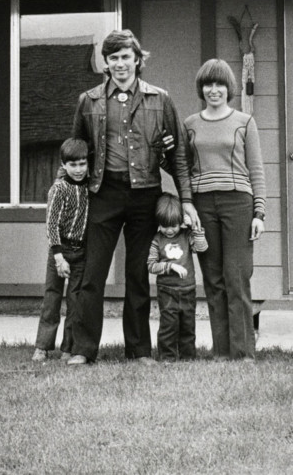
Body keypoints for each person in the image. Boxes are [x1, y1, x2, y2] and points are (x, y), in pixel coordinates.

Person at [67, 29, 199, 365]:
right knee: (92, 275)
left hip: (144, 196)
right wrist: (65, 199)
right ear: (106, 64)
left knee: (138, 275)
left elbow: (179, 157)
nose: (120, 63)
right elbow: (75, 153)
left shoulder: (161, 99)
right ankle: (84, 349)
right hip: (104, 194)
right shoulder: (89, 101)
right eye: (113, 58)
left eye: (126, 57)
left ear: (137, 60)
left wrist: (186, 201)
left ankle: (139, 349)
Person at [184, 58, 266, 361]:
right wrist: (188, 205)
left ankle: (243, 351)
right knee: (214, 280)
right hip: (204, 205)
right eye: (208, 83)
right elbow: (184, 168)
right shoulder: (190, 124)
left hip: (238, 204)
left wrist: (259, 212)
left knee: (236, 277)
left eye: (220, 84)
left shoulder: (244, 122)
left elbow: (256, 169)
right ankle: (221, 352)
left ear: (229, 87)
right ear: (201, 88)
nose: (214, 89)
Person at [32, 138, 90, 362]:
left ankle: (69, 347)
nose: (78, 170)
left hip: (81, 251)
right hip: (60, 250)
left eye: (82, 164)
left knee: (75, 301)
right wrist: (58, 257)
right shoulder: (59, 189)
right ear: (64, 165)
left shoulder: (89, 187)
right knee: (52, 298)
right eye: (73, 165)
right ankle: (43, 346)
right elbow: (52, 224)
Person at [147, 193, 207, 362]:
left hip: (188, 289)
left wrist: (195, 228)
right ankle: (167, 358)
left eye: (173, 225)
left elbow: (201, 248)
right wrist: (170, 266)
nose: (170, 230)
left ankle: (188, 357)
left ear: (180, 221)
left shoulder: (186, 236)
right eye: (165, 226)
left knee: (188, 325)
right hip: (167, 291)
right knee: (169, 326)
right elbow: (151, 265)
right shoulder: (157, 241)